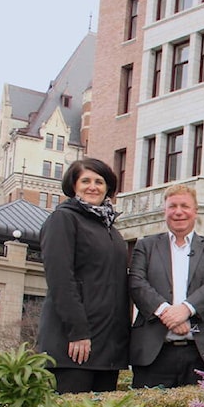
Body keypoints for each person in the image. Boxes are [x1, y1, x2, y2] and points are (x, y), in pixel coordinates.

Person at [37, 158, 129, 394]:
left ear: (108, 187)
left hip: (107, 351)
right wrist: (78, 333)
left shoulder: (111, 230)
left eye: (99, 181)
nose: (93, 186)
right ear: (73, 185)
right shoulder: (64, 219)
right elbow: (60, 281)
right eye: (85, 181)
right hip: (74, 347)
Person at [128, 184, 204, 388]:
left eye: (185, 205)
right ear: (164, 211)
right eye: (172, 206)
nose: (178, 212)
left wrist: (185, 310)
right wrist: (167, 313)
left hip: (201, 353)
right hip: (154, 353)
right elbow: (137, 283)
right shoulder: (145, 246)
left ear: (195, 211)